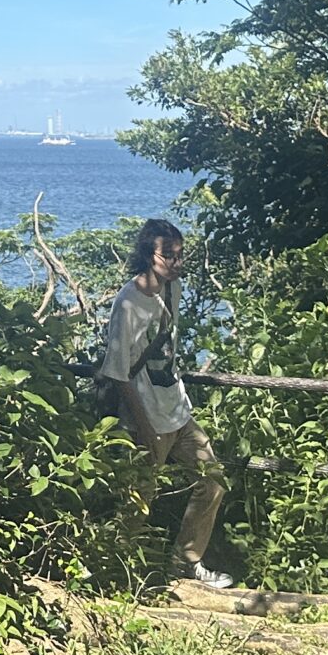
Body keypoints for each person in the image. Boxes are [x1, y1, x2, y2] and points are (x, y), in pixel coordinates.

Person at [97, 217, 234, 591]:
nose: (176, 262)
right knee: (137, 503)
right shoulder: (128, 303)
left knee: (213, 481)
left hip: (177, 409)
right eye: (168, 255)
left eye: (180, 255)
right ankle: (115, 577)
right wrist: (142, 426)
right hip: (147, 417)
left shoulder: (172, 290)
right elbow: (118, 372)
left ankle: (185, 563)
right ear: (148, 255)